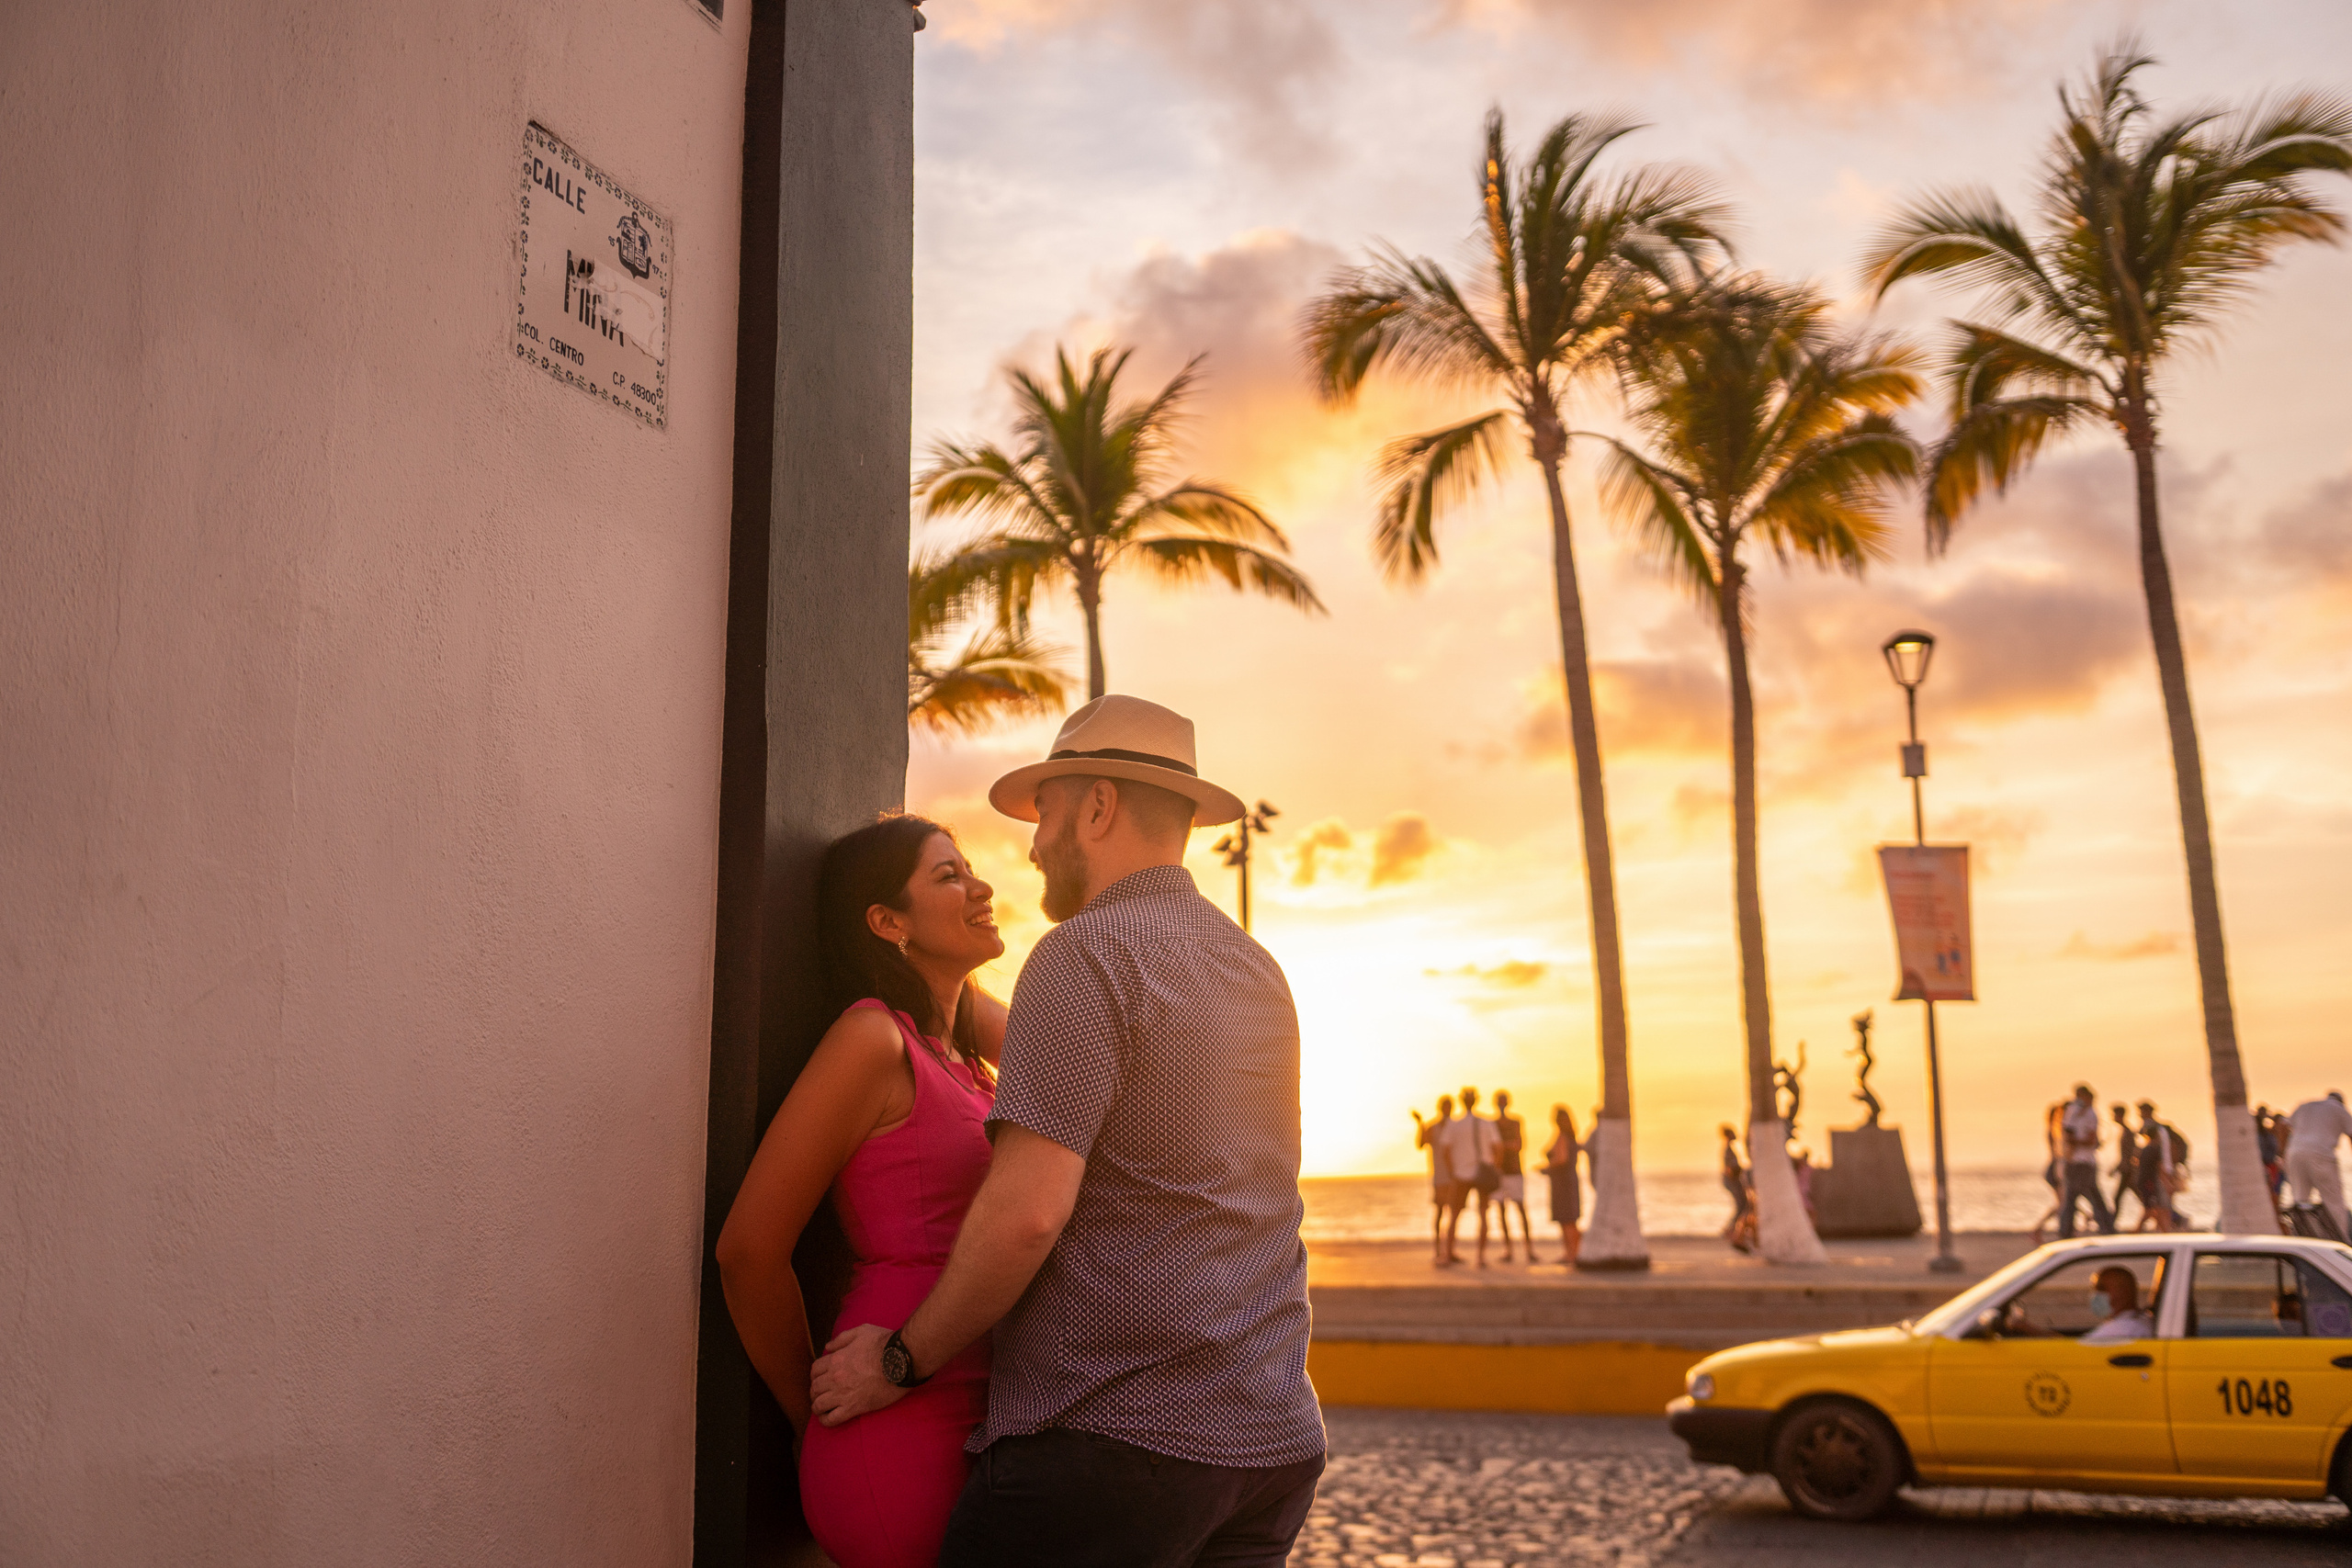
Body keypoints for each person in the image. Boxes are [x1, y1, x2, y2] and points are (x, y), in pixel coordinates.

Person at [808, 695, 1325, 1567]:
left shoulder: (1083, 953)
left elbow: (1027, 1215)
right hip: (1270, 1443)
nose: (1033, 844)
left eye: (1044, 813)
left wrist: (898, 1362)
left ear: (1097, 807)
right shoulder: (1254, 966)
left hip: (1114, 1444)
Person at [714, 814, 1008, 1568]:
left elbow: (1064, 1049)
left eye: (971, 868)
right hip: (897, 1424)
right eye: (948, 876)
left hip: (984, 1410)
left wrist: (957, 995)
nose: (981, 887)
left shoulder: (967, 1062)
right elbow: (748, 1250)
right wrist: (810, 1408)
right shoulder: (873, 1040)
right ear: (886, 921)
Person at [1443, 1086, 1504, 1267]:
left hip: (1461, 1174)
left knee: (1454, 1215)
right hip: (1482, 1174)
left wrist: (1452, 1171)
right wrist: (1494, 1168)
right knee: (1483, 1215)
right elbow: (1498, 1148)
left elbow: (1445, 1150)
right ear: (1476, 1101)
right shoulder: (1486, 1123)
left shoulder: (1454, 1124)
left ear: (1462, 1101)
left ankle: (1448, 1254)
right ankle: (1480, 1256)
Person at [2284, 1090, 2352, 1237]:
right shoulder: (2338, 1108)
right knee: (2334, 1203)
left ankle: (2299, 1236)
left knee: (2299, 1200)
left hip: (2294, 1153)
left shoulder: (2305, 1106)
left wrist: (2282, 1154)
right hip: (2320, 1154)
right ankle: (2341, 1239)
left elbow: (2284, 1126)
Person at [2057, 1084, 2114, 1239]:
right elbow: (2073, 1135)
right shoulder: (2074, 1111)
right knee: (2081, 1197)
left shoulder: (2089, 1113)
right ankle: (2105, 1228)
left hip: (2084, 1161)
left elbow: (2088, 1139)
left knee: (2082, 1196)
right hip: (2077, 1162)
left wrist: (2080, 1142)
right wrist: (2081, 1142)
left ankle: (2068, 1231)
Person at [1411, 1096, 1463, 1266]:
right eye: (1445, 1106)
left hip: (1455, 1177)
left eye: (1449, 1106)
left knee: (1454, 1215)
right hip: (1440, 1177)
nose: (1447, 1109)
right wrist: (1420, 1124)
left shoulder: (1456, 1127)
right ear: (1440, 1107)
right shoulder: (1433, 1127)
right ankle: (1438, 1250)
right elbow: (1421, 1144)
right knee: (1440, 1212)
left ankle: (1450, 1250)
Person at [1491, 1089, 1534, 1263]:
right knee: (1501, 1212)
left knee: (1521, 1209)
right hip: (1499, 1173)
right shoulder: (1492, 1124)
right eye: (1500, 1101)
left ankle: (1529, 1250)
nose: (1502, 1104)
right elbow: (1493, 1147)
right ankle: (1508, 1250)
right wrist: (1504, 1147)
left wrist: (1502, 1147)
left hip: (1514, 1172)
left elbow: (1519, 1145)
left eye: (1504, 1101)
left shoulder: (1515, 1122)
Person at [2135, 1100, 2185, 1232]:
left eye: (2141, 1112)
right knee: (2161, 1204)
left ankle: (2169, 1225)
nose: (2140, 1115)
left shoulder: (2155, 1135)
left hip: (2158, 1175)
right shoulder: (2160, 1132)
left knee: (2159, 1205)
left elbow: (2160, 1164)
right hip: (2161, 1173)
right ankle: (2166, 1227)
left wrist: (2167, 1178)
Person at [1544, 1105, 1582, 1266]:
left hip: (1564, 1182)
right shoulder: (1567, 1136)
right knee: (1566, 1219)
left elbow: (1561, 1159)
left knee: (1568, 1219)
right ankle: (1570, 1253)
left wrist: (1546, 1168)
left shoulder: (1564, 1137)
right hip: (1565, 1181)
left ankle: (1573, 1253)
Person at [2079, 1266, 2156, 1344]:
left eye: (2101, 1288)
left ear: (2124, 1292)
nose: (2096, 1294)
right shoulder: (2144, 1319)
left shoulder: (2119, 1330)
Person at [2030, 1100, 2064, 1244]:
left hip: (2055, 1167)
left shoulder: (2055, 1130)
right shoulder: (2053, 1131)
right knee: (2063, 1203)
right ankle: (2037, 1230)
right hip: (2055, 1168)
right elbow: (2056, 1153)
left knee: (2063, 1203)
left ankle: (2038, 1230)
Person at [2109, 1102, 2142, 1229]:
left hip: (2127, 1170)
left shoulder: (2127, 1132)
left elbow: (2129, 1154)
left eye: (2114, 1114)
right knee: (2139, 1196)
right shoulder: (2125, 1131)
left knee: (2119, 1197)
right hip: (2126, 1169)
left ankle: (2110, 1224)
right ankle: (2111, 1223)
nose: (2113, 1117)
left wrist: (2118, 1168)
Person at [1719, 1125, 1752, 1251]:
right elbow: (1730, 1169)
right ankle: (1732, 1231)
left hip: (1734, 1181)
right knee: (1742, 1205)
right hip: (1733, 1181)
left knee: (1743, 1205)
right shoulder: (1728, 1150)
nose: (1735, 1135)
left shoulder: (1729, 1149)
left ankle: (1732, 1230)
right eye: (1733, 1133)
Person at [2256, 1105, 2287, 1205]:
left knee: (2274, 1192)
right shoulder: (2263, 1133)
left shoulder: (2270, 1133)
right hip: (2269, 1165)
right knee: (2273, 1192)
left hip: (2272, 1165)